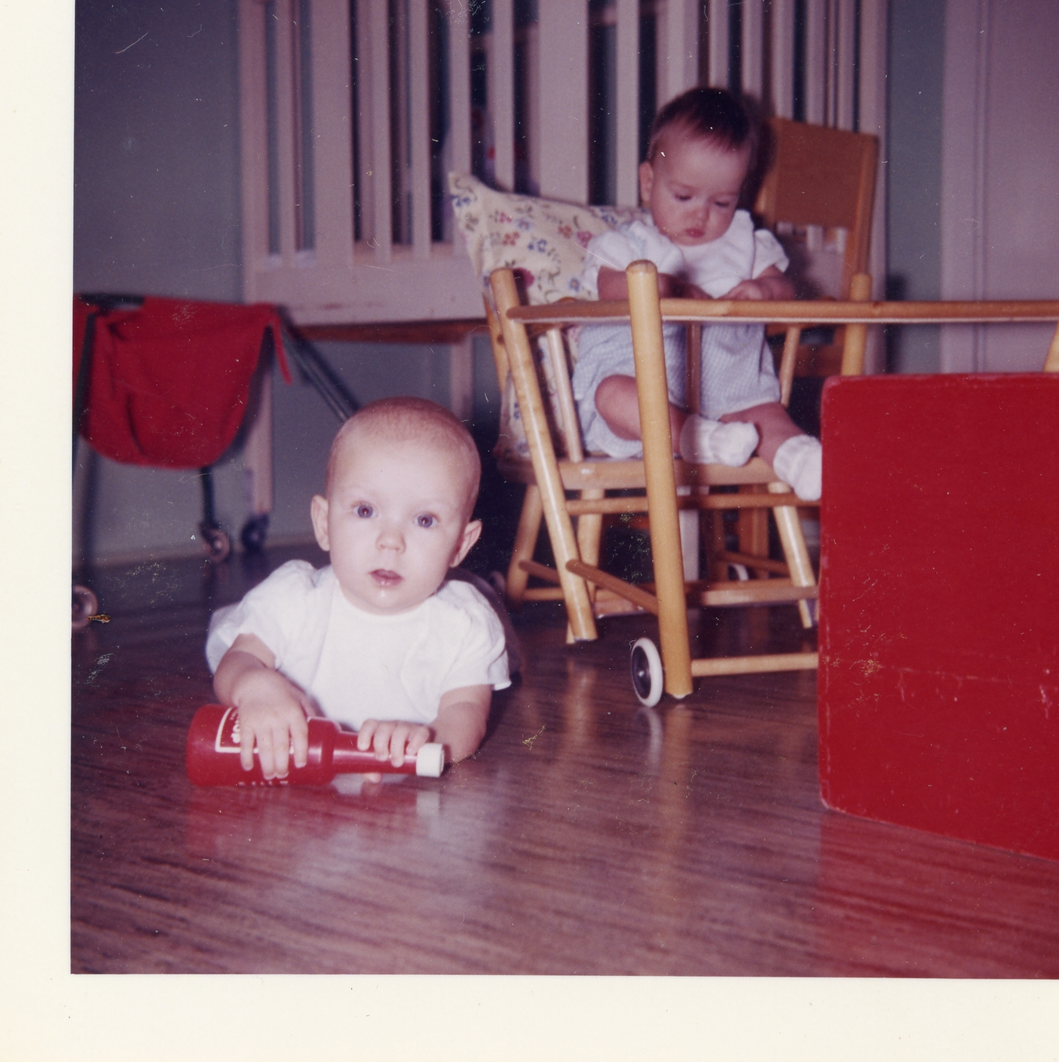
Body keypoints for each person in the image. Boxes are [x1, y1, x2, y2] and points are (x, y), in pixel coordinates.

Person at [206, 397, 510, 781]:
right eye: (365, 510)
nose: (391, 541)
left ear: (460, 545)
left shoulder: (464, 624)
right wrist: (255, 686)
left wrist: (428, 739)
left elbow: (467, 714)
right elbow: (236, 661)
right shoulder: (294, 600)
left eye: (424, 520)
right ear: (324, 523)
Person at [570, 87, 822, 501]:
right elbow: (609, 288)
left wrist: (764, 288)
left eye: (722, 202)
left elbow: (785, 289)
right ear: (648, 182)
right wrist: (665, 287)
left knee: (767, 415)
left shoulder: (745, 243)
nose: (701, 214)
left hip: (730, 386)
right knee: (612, 396)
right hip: (645, 379)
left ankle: (799, 458)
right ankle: (698, 438)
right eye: (684, 196)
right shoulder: (629, 243)